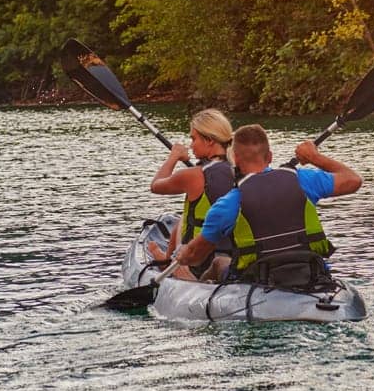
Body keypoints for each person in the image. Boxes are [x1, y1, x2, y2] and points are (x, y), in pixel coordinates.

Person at [172, 123, 362, 292]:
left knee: (218, 261)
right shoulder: (303, 180)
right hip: (311, 275)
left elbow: (196, 256)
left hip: (258, 283)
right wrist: (314, 157)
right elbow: (353, 180)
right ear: (270, 156)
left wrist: (182, 255)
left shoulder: (228, 203)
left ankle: (201, 293)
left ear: (235, 159)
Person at [147, 109, 236, 280]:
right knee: (185, 218)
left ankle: (169, 263)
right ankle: (167, 259)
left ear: (209, 140)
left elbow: (156, 186)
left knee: (186, 218)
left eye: (193, 138)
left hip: (198, 264)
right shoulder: (241, 169)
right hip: (234, 257)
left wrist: (174, 156)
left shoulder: (194, 175)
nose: (191, 145)